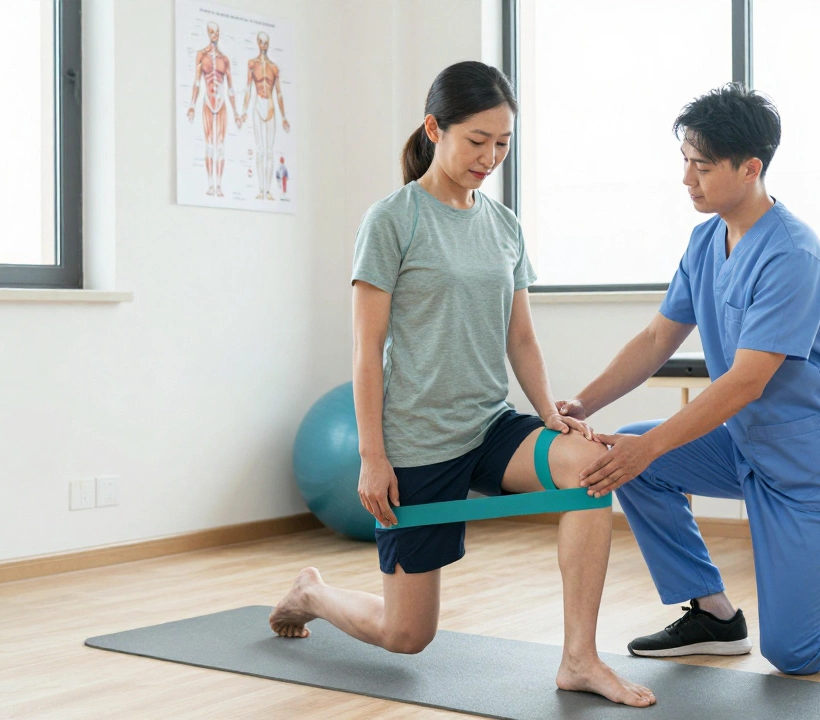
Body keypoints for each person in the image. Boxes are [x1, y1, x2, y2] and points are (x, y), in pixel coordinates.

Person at [268, 61, 655, 708]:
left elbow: (521, 338)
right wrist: (372, 456)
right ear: (433, 128)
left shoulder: (503, 225)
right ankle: (312, 593)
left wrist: (550, 415)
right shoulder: (393, 220)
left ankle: (579, 660)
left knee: (592, 467)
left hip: (489, 425)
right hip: (416, 439)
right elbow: (366, 350)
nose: (490, 156)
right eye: (477, 140)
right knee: (407, 634)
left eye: (502, 143)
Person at [556, 84, 820, 675]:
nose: (687, 179)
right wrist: (582, 404)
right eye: (684, 161)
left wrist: (650, 448)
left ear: (750, 168)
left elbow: (745, 382)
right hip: (745, 446)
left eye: (702, 166)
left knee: (797, 652)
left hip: (811, 467)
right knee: (621, 454)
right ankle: (713, 615)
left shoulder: (793, 254)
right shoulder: (707, 238)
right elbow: (660, 338)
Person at [186, 22, 241, 197]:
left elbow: (231, 88)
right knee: (209, 145)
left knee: (221, 146)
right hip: (207, 103)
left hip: (222, 103)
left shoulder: (225, 60)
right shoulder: (201, 56)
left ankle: (219, 186)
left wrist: (236, 113)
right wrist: (192, 106)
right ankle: (210, 184)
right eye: (212, 32)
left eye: (217, 32)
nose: (215, 34)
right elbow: (196, 82)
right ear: (208, 34)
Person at [240, 32, 290, 201]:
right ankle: (261, 189)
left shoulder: (274, 68)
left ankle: (267, 191)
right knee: (260, 150)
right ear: (257, 43)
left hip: (270, 106)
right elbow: (248, 89)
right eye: (261, 42)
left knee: (269, 152)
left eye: (266, 42)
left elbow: (279, 94)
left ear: (268, 44)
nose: (263, 45)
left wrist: (283, 117)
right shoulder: (252, 64)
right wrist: (243, 112)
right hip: (257, 104)